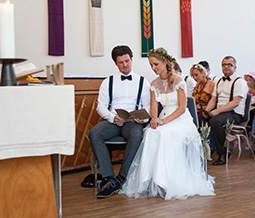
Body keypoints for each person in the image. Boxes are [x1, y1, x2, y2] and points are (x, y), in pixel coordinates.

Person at [120, 48, 215, 200]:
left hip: (180, 119)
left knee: (164, 134)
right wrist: (153, 119)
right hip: (162, 117)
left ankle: (165, 182)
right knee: (151, 133)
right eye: (151, 65)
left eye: (155, 64)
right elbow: (153, 107)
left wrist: (163, 121)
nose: (153, 68)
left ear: (165, 62)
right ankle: (149, 181)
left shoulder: (178, 81)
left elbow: (182, 108)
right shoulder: (154, 84)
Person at [89, 45, 151, 199]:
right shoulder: (107, 82)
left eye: (127, 61)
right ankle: (109, 177)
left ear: (131, 59)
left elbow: (149, 106)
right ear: (115, 63)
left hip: (133, 122)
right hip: (112, 120)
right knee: (94, 133)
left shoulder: (143, 82)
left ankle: (121, 178)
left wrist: (143, 118)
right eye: (121, 62)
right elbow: (100, 106)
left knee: (137, 135)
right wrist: (113, 118)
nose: (125, 65)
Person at [199, 56, 248, 165]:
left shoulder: (240, 82)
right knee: (200, 118)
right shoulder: (219, 81)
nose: (226, 67)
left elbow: (235, 102)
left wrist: (217, 111)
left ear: (235, 67)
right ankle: (210, 148)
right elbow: (214, 99)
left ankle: (223, 153)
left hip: (234, 114)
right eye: (223, 64)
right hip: (221, 112)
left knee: (215, 121)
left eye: (229, 64)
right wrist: (207, 110)